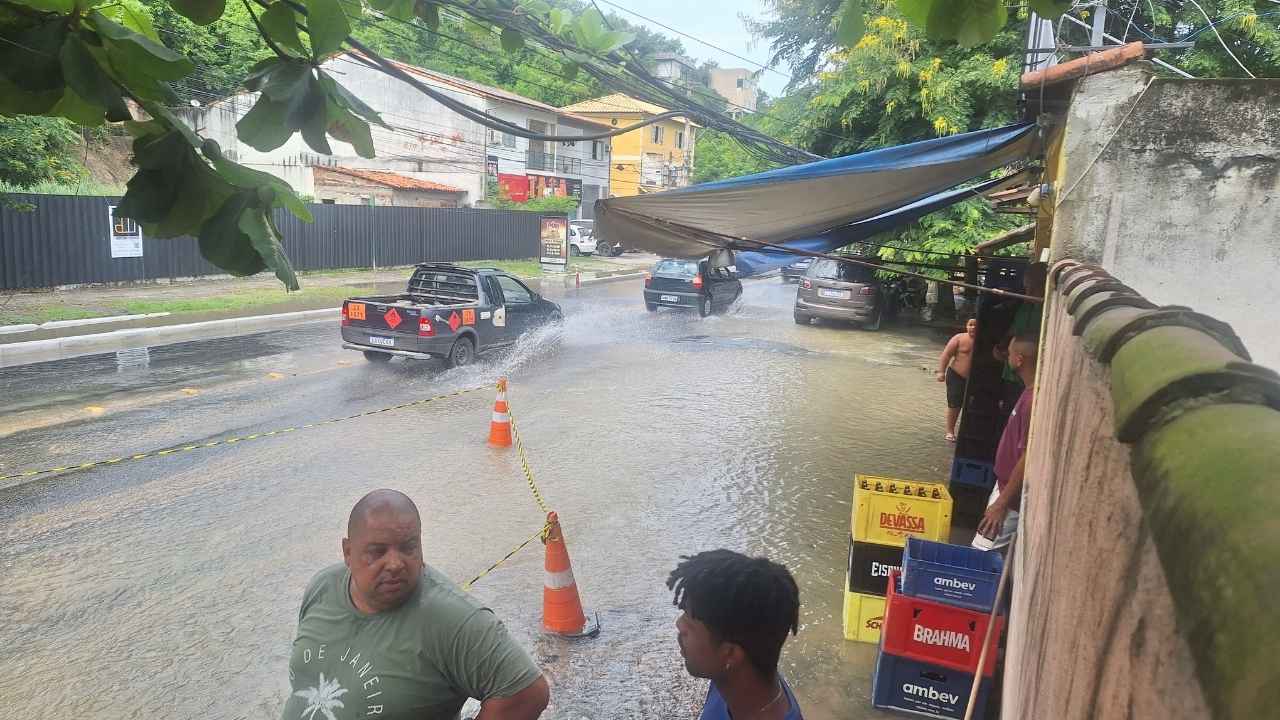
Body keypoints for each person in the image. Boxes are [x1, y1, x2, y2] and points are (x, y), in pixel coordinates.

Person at [280, 489, 549, 720]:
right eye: (377, 551)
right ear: (348, 552)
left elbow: (528, 693)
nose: (395, 563)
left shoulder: (453, 619)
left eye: (408, 547)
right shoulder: (323, 587)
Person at [668, 550, 804, 720]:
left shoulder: (731, 674)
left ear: (730, 654)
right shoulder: (734, 676)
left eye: (690, 624)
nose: (679, 625)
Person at [974, 333, 1038, 552]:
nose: (1006, 356)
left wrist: (1001, 503)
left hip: (1009, 499)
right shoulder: (1028, 392)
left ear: (1019, 360)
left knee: (980, 554)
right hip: (1004, 488)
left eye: (1010, 353)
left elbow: (1028, 457)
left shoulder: (1032, 401)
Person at [936, 317, 978, 442]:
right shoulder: (959, 338)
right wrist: (941, 371)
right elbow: (946, 355)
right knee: (954, 404)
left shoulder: (984, 341)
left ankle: (967, 431)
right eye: (970, 324)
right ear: (966, 325)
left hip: (974, 380)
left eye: (975, 325)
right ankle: (950, 431)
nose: (972, 327)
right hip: (956, 375)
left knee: (972, 405)